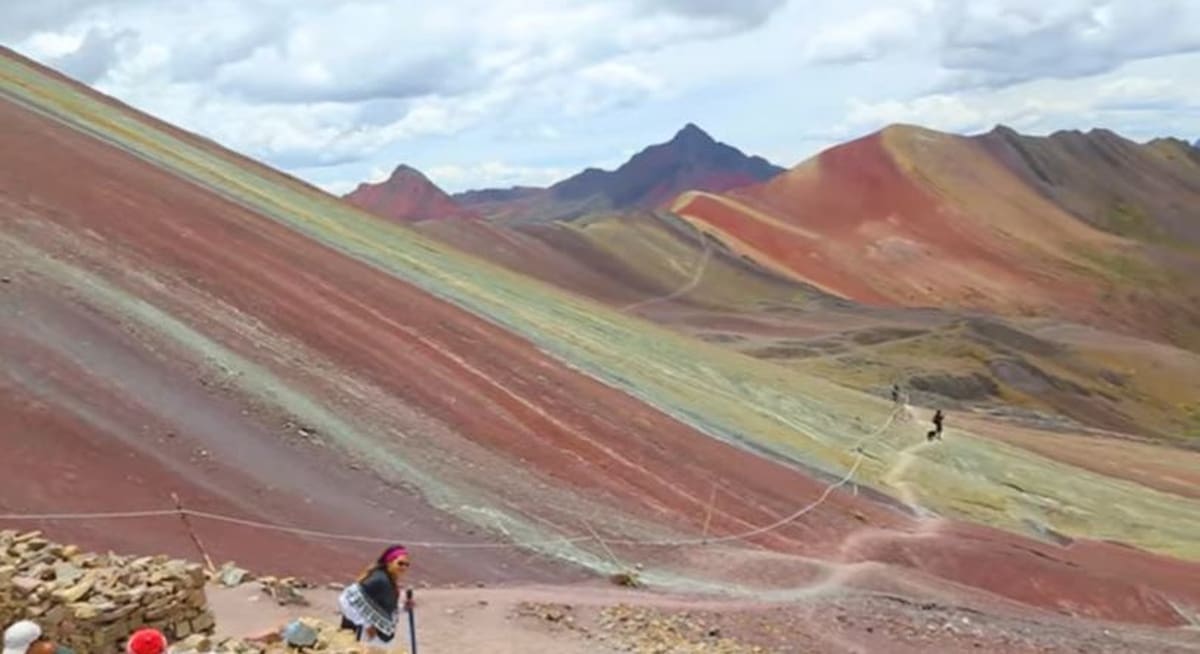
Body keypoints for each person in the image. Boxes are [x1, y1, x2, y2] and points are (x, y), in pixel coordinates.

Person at [338, 545, 413, 645]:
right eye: (400, 563)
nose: (404, 567)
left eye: (407, 565)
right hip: (363, 636)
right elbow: (346, 599)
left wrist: (403, 607)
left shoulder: (389, 581)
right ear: (389, 562)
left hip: (375, 639)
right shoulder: (379, 579)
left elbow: (384, 605)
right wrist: (367, 624)